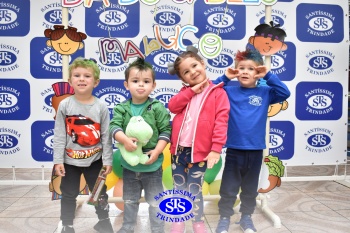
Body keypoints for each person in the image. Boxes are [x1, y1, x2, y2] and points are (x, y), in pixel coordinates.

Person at [213, 49, 290, 233]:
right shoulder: (229, 90)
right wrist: (226, 76)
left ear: (258, 73)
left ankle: (246, 217)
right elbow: (210, 89)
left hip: (256, 150)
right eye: (241, 68)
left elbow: (284, 92)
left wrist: (268, 75)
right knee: (229, 188)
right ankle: (224, 217)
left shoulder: (265, 92)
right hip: (234, 149)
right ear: (236, 70)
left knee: (250, 189)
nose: (246, 72)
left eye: (251, 69)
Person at [167, 46, 230, 233]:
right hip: (179, 151)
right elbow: (172, 106)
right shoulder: (185, 94)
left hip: (200, 153)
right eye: (186, 72)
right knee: (178, 187)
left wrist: (216, 149)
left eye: (195, 65)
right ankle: (178, 221)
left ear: (202, 63)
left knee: (194, 189)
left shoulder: (219, 93)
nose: (193, 72)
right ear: (182, 78)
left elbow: (221, 122)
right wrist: (191, 91)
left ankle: (197, 222)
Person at [109, 57, 171, 233]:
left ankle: (158, 229)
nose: (141, 85)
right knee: (129, 200)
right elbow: (114, 126)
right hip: (129, 165)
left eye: (146, 81)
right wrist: (125, 140)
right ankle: (128, 227)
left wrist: (157, 151)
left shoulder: (157, 107)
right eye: (135, 81)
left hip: (153, 166)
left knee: (155, 201)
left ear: (153, 85)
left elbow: (166, 130)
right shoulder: (122, 108)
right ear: (127, 85)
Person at [53, 57, 114, 233]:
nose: (81, 79)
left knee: (99, 193)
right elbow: (59, 135)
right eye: (77, 75)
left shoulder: (101, 106)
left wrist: (107, 161)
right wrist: (58, 161)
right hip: (69, 162)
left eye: (87, 76)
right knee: (69, 194)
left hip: (95, 161)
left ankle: (104, 221)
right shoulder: (65, 105)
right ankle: (67, 224)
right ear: (70, 80)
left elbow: (105, 136)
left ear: (96, 82)